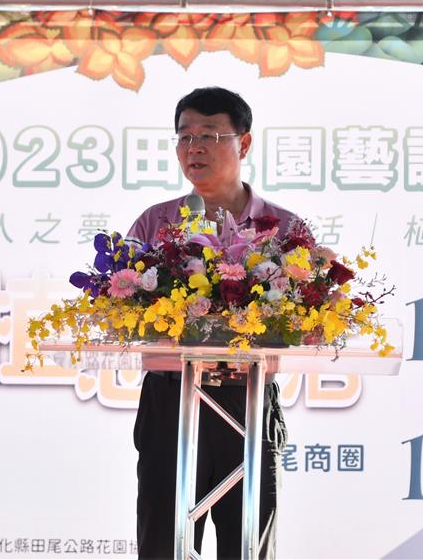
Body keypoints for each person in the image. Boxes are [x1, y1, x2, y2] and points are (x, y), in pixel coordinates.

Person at [127, 87, 297, 559]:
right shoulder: (155, 224)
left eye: (210, 135)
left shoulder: (284, 228)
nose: (194, 148)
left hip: (248, 398)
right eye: (185, 137)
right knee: (163, 542)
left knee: (247, 544)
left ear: (244, 143)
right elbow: (121, 308)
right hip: (170, 401)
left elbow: (304, 319)